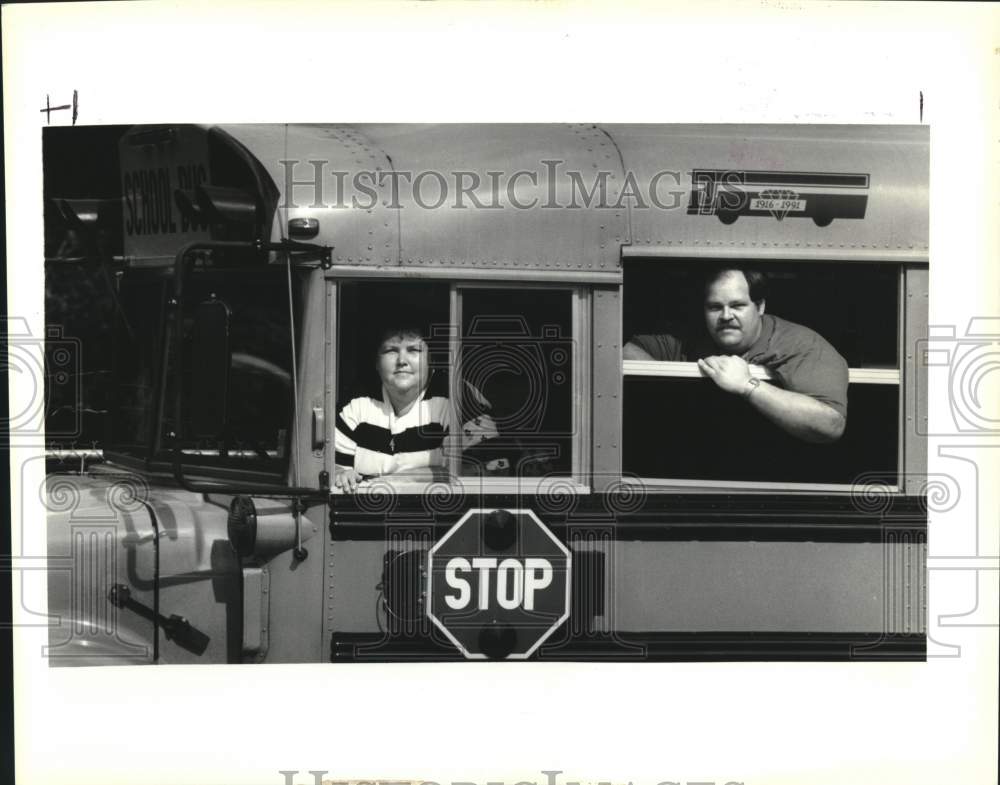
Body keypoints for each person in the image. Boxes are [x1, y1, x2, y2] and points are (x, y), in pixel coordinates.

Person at [624, 267, 848, 443]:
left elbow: (831, 425)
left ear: (760, 307)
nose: (726, 316)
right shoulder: (691, 338)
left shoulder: (801, 344)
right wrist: (672, 395)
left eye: (737, 305)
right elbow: (624, 349)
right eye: (714, 307)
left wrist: (747, 385)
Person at [333, 325, 499, 493]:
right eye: (391, 351)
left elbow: (488, 468)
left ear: (430, 359)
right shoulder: (356, 401)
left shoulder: (454, 395)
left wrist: (391, 482)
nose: (401, 361)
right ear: (377, 362)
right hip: (366, 514)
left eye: (413, 350)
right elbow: (330, 468)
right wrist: (342, 474)